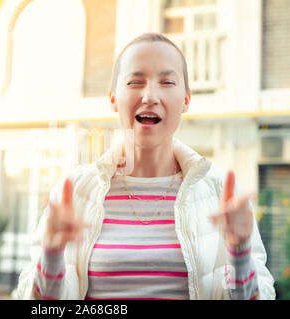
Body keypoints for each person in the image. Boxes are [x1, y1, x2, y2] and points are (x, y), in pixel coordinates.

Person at [15, 33, 275, 300]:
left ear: (186, 99)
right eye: (135, 82)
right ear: (114, 98)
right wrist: (51, 255)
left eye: (167, 82)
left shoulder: (220, 192)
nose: (150, 95)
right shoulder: (76, 191)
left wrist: (240, 254)